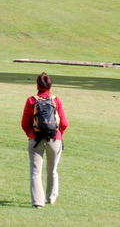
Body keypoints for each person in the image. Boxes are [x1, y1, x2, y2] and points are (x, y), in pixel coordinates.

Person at [20, 72, 69, 208]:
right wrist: (59, 135)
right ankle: (51, 197)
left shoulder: (31, 100)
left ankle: (38, 202)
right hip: (55, 138)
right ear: (50, 86)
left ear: (37, 85)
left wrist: (31, 134)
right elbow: (64, 123)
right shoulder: (56, 100)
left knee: (36, 172)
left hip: (35, 139)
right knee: (52, 170)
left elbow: (24, 123)